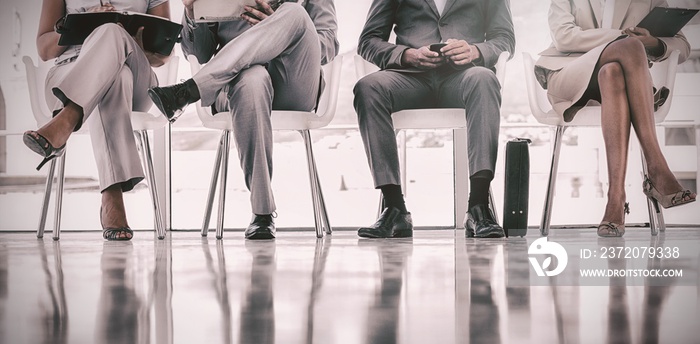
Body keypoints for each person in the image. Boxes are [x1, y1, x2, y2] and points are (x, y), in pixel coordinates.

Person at [147, 0, 338, 240]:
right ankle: (262, 212)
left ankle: (189, 91)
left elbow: (329, 44)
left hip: (294, 80)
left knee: (294, 12)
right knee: (252, 80)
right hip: (239, 82)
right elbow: (198, 53)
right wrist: (191, 11)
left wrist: (277, 29)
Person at [353, 0, 515, 238]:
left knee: (484, 79)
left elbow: (505, 38)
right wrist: (406, 55)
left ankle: (478, 207)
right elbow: (368, 41)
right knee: (367, 88)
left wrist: (475, 51)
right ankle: (395, 207)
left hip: (464, 77)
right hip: (409, 78)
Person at [535, 0, 696, 237]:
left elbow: (683, 47)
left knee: (611, 73)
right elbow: (564, 37)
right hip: (568, 72)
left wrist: (651, 42)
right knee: (629, 47)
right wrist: (622, 38)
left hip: (620, 80)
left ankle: (615, 201)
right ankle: (657, 169)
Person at [23, 0, 172, 240]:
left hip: (137, 75)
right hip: (70, 70)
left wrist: (138, 46)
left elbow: (164, 53)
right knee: (116, 77)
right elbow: (44, 49)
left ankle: (68, 118)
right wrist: (76, 25)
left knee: (113, 34)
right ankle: (112, 197)